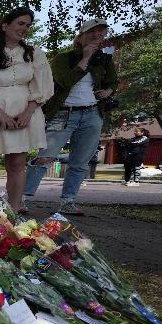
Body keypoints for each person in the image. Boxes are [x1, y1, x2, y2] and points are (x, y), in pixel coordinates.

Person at [24, 18, 118, 216]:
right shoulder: (63, 59)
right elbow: (65, 82)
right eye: (93, 32)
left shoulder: (104, 60)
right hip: (64, 113)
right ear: (81, 35)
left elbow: (113, 81)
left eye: (101, 33)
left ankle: (68, 202)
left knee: (80, 162)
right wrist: (84, 58)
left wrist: (109, 90)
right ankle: (22, 198)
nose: (97, 36)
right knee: (45, 157)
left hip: (92, 113)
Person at [0, 7, 53, 213]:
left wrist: (28, 112)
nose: (24, 28)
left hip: (23, 113)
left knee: (17, 164)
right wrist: (0, 114)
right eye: (20, 23)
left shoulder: (34, 55)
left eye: (28, 25)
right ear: (5, 25)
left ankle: (14, 212)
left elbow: (43, 86)